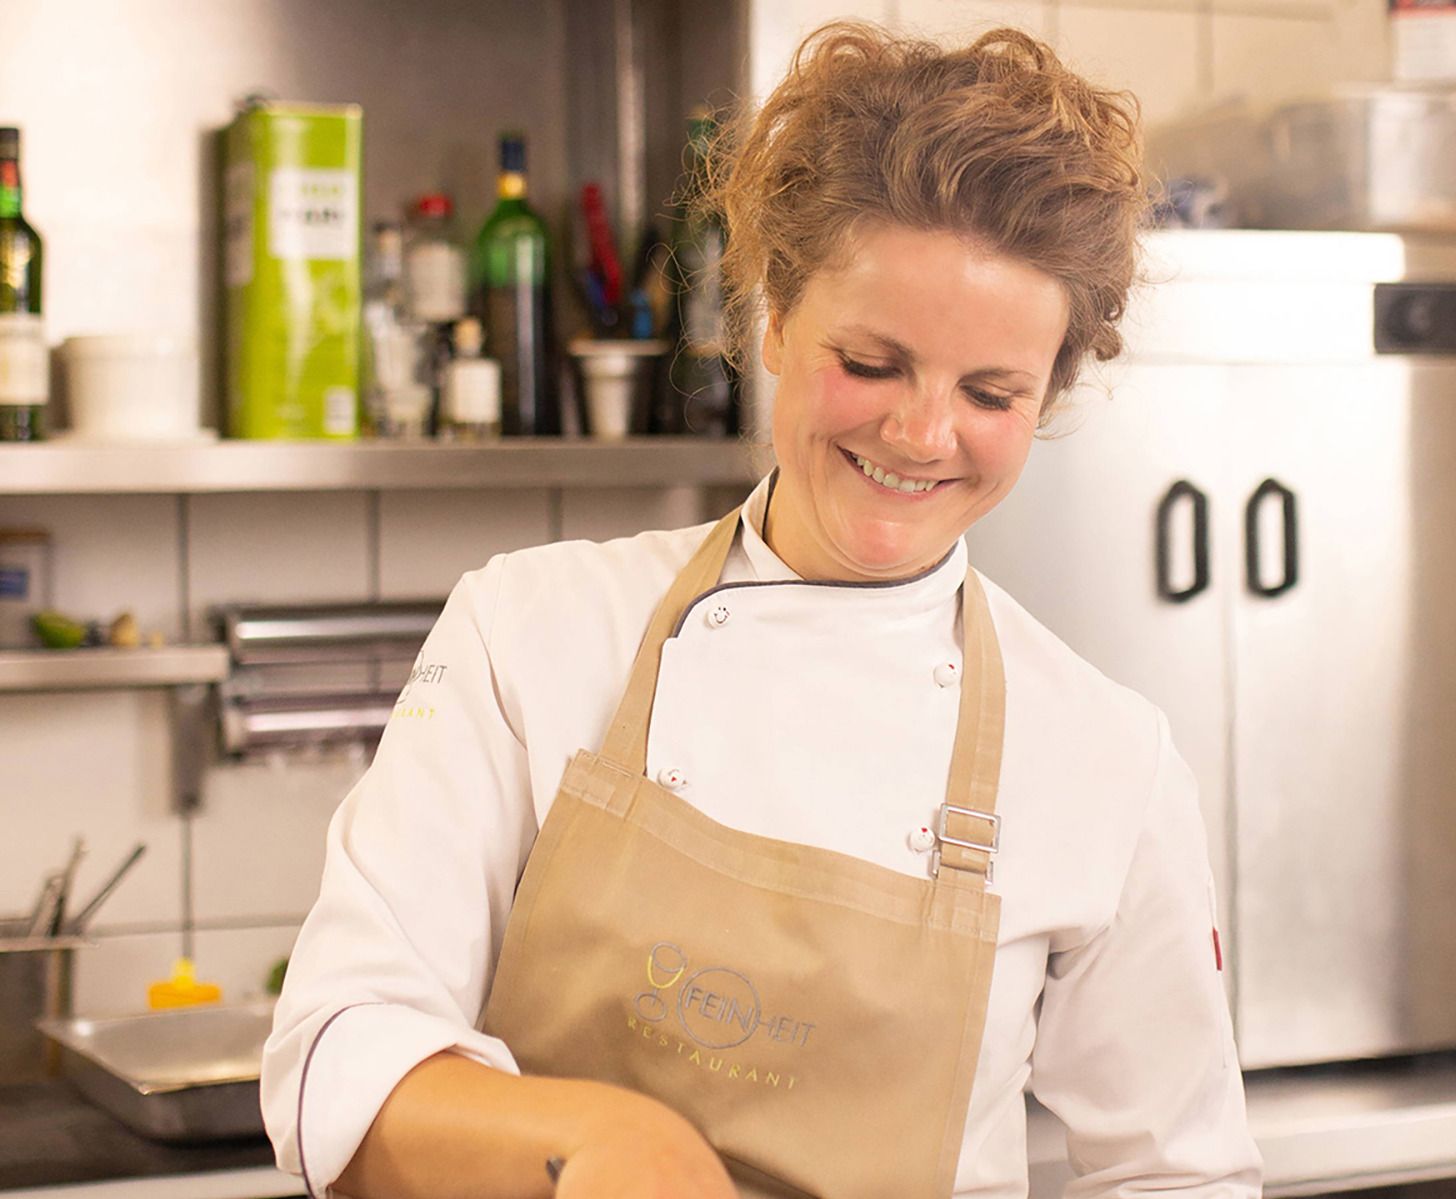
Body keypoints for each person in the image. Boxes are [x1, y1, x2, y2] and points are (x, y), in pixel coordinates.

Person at [261, 21, 1263, 1199]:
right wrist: (603, 1140)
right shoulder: (531, 631)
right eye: (875, 362)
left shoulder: (1104, 755)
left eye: (990, 391)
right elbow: (339, 1054)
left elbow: (1176, 1173)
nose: (922, 433)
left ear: (1044, 397)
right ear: (774, 319)